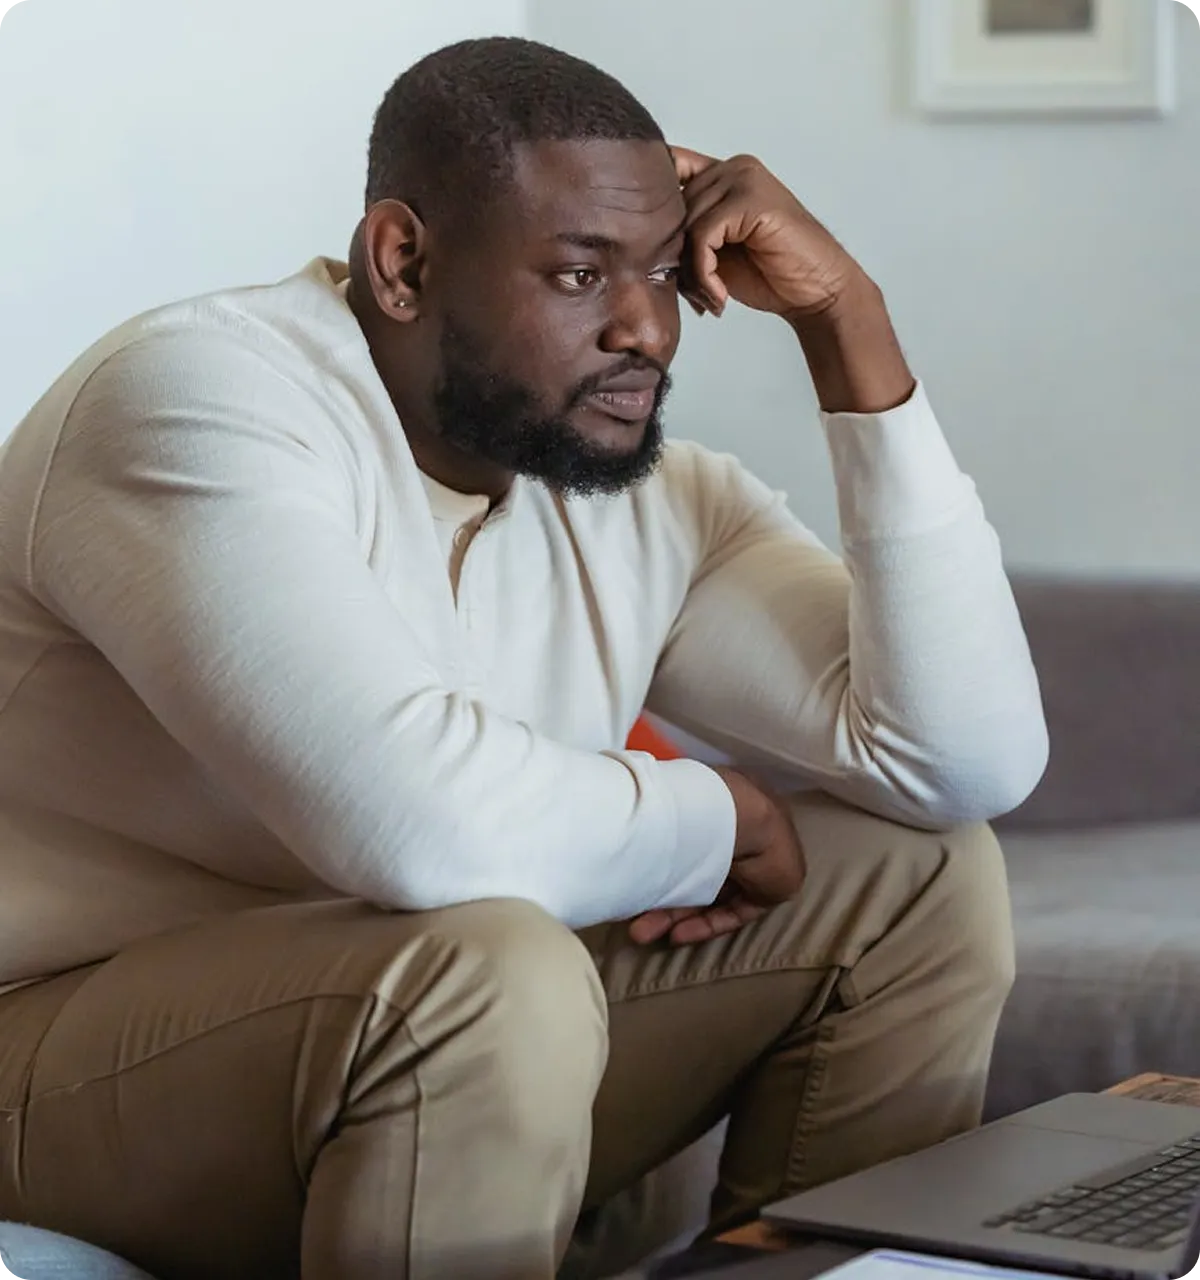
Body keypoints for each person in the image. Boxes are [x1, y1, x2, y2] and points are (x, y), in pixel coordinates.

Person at [0, 35, 1047, 1280]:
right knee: (494, 965)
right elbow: (415, 822)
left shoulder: (638, 500)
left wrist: (847, 325)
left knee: (919, 876)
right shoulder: (194, 399)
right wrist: (711, 811)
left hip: (402, 1026)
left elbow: (964, 759)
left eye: (664, 273)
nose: (646, 328)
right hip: (56, 1051)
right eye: (579, 272)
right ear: (404, 262)